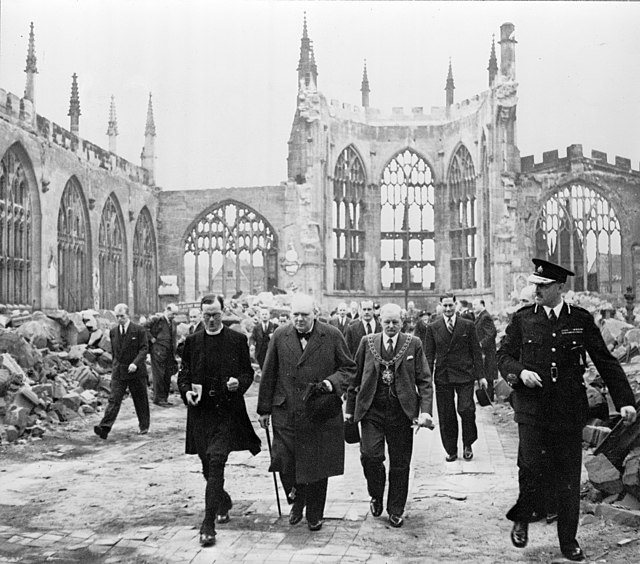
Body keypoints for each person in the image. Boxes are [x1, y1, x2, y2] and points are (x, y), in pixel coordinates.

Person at [497, 258, 637, 562]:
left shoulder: (581, 319)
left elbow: (605, 361)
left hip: (567, 409)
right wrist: (520, 373)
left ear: (560, 287)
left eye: (544, 286)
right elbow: (503, 356)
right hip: (532, 408)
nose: (537, 290)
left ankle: (568, 541)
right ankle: (522, 518)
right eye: (536, 284)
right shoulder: (522, 319)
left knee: (568, 475)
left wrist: (625, 400)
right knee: (531, 465)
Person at [257, 293, 356, 531]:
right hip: (286, 410)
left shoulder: (331, 335)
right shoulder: (281, 335)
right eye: (295, 315)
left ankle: (314, 513)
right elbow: (269, 372)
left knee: (317, 465)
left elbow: (349, 369)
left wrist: (331, 384)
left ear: (316, 314)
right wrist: (263, 409)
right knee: (284, 460)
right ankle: (296, 497)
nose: (299, 320)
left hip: (318, 411)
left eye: (305, 315)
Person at [177, 294, 261, 548]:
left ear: (223, 313)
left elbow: (248, 372)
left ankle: (208, 525)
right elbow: (184, 375)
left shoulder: (236, 340)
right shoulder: (192, 342)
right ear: (201, 316)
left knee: (216, 461)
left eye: (215, 315)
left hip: (227, 411)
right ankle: (222, 500)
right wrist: (186, 392)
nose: (211, 320)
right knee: (206, 465)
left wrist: (239, 383)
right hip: (201, 414)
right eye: (206, 315)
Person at [346, 303, 433, 528]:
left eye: (395, 322)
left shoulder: (413, 344)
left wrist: (425, 412)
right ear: (380, 321)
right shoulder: (368, 343)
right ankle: (375, 494)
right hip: (371, 410)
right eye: (387, 322)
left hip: (401, 413)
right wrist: (349, 410)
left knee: (400, 464)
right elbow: (355, 378)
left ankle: (396, 509)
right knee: (370, 456)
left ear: (402, 322)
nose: (391, 326)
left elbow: (424, 380)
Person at [424, 292, 487, 462]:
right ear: (440, 306)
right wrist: (426, 378)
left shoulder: (467, 325)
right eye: (444, 306)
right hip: (443, 376)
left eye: (450, 305)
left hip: (465, 374)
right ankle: (451, 449)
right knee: (446, 414)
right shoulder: (433, 327)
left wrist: (481, 376)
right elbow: (429, 355)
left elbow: (476, 352)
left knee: (466, 409)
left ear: (456, 305)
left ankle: (468, 443)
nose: (448, 309)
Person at [94, 303, 149, 439]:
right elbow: (115, 352)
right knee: (114, 399)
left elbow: (144, 349)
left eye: (122, 316)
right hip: (119, 371)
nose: (120, 319)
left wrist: (135, 363)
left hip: (135, 371)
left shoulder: (139, 330)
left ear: (128, 315)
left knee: (140, 399)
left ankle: (144, 425)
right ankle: (104, 428)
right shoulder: (113, 332)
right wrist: (115, 367)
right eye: (117, 316)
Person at [145, 303, 179, 406]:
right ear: (167, 310)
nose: (173, 316)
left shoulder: (173, 323)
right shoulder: (157, 319)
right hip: (158, 351)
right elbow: (144, 328)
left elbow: (173, 338)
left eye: (175, 314)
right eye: (172, 313)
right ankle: (158, 399)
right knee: (159, 375)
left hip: (169, 352)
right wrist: (151, 338)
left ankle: (164, 398)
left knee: (167, 375)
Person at [472, 299, 498, 401]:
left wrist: (481, 344)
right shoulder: (480, 317)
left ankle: (488, 398)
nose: (473, 307)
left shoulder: (485, 317)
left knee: (488, 374)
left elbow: (491, 333)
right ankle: (485, 398)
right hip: (483, 352)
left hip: (487, 352)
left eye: (475, 305)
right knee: (484, 373)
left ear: (482, 305)